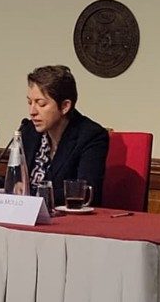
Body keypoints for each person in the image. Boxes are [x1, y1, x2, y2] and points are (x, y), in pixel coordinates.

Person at [20, 65, 109, 206]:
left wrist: (34, 196)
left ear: (65, 106)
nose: (32, 112)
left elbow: (86, 192)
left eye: (41, 104)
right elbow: (16, 179)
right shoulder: (28, 130)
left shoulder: (91, 136)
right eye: (29, 102)